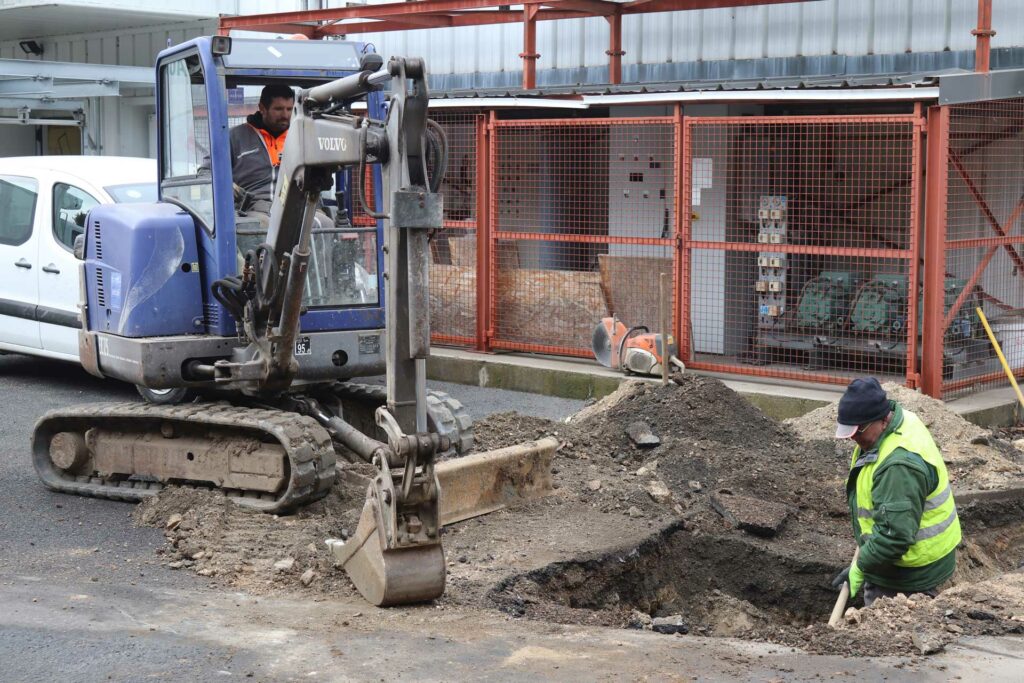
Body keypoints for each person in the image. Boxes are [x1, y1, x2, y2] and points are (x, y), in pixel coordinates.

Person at [830, 377, 961, 607]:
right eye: (849, 432)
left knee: (884, 621)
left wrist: (861, 567)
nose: (853, 438)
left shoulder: (898, 468)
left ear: (882, 420)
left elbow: (895, 536)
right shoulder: (899, 423)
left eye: (858, 431)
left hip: (910, 571)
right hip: (912, 556)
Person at [230, 83, 295, 213]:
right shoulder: (235, 137)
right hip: (252, 209)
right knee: (264, 223)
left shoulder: (300, 136)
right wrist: (228, 185)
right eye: (278, 109)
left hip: (295, 206)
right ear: (262, 108)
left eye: (289, 109)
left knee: (324, 222)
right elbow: (207, 172)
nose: (285, 115)